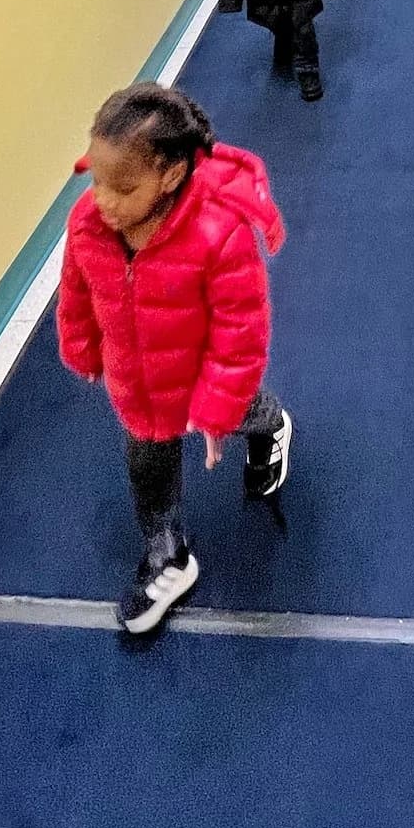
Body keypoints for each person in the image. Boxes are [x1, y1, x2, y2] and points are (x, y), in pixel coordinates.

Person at [57, 85, 293, 634]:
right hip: (136, 382)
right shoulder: (89, 222)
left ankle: (271, 422)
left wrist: (215, 404)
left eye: (123, 186)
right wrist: (83, 347)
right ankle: (169, 554)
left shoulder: (219, 232)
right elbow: (76, 291)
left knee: (239, 413)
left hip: (200, 371)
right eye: (96, 181)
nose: (105, 200)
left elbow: (241, 328)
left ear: (170, 175)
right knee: (147, 463)